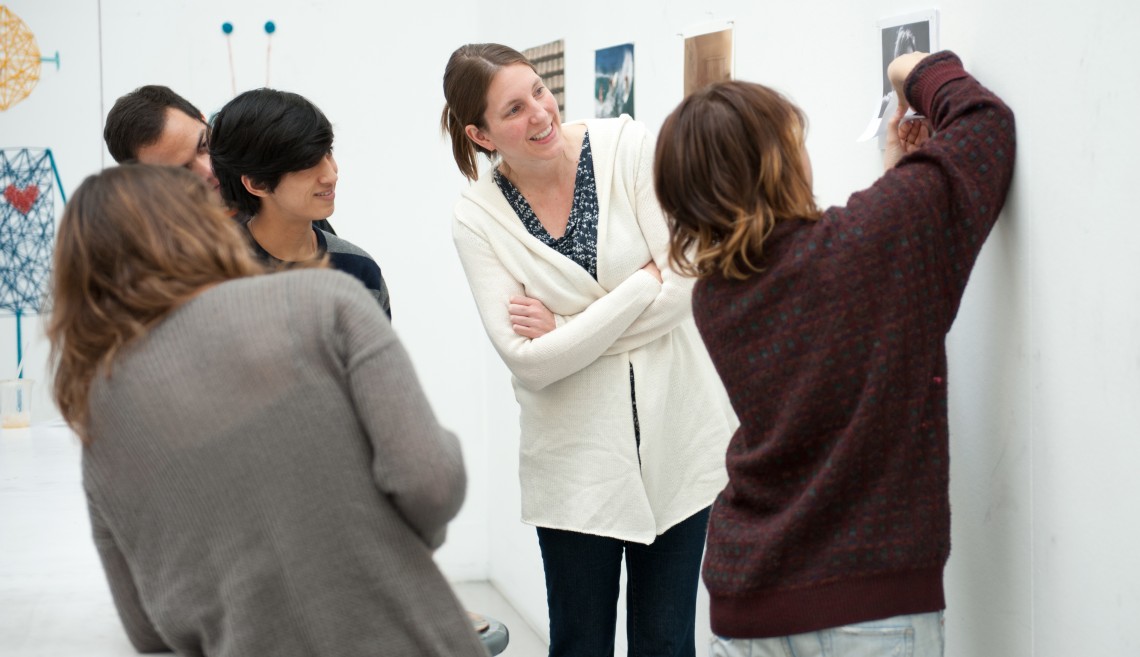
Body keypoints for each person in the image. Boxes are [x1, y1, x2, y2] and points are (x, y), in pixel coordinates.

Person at [652, 51, 1015, 656]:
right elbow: (986, 127)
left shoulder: (716, 297)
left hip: (746, 605)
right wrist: (914, 70)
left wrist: (897, 174)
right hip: (868, 610)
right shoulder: (872, 243)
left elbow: (830, 277)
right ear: (777, 163)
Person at [45, 164, 486, 657]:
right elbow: (432, 482)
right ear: (201, 227)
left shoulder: (101, 417)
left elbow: (147, 629)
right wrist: (392, 547)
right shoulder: (329, 299)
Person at [441, 43, 735, 657]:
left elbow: (687, 285)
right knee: (579, 645)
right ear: (480, 133)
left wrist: (567, 327)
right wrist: (639, 285)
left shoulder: (628, 148)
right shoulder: (477, 216)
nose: (540, 114)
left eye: (539, 93)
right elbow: (528, 360)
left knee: (665, 643)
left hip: (676, 446)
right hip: (575, 467)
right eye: (514, 109)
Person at [209, 88, 391, 318]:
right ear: (257, 183)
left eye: (328, 152)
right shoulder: (216, 277)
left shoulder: (359, 269)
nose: (331, 175)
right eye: (307, 163)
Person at [102, 84, 336, 234]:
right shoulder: (160, 258)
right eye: (181, 172)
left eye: (204, 145)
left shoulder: (280, 194)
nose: (209, 170)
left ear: (205, 120)